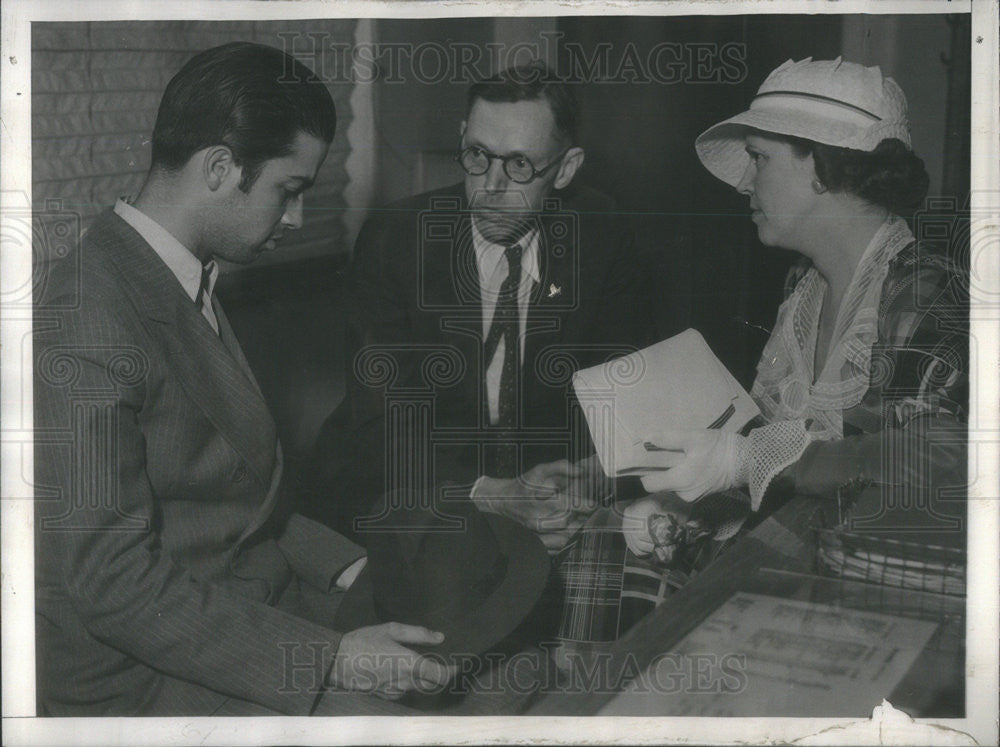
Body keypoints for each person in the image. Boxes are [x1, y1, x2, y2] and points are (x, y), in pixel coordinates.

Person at [33, 41, 456, 717]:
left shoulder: (175, 273)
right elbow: (111, 586)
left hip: (232, 605)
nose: (294, 219)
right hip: (135, 679)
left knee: (466, 641)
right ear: (221, 168)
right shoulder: (86, 314)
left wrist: (353, 569)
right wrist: (332, 656)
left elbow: (237, 504)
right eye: (288, 191)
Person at [308, 62, 654, 551]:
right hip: (409, 494)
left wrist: (589, 476)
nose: (490, 187)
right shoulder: (397, 240)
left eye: (518, 165)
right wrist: (494, 495)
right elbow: (380, 426)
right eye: (477, 155)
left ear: (567, 169)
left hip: (543, 502)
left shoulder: (602, 236)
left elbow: (619, 396)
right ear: (463, 137)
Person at [633, 58, 966, 537]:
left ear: (823, 169)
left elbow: (946, 463)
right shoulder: (803, 287)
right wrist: (685, 510)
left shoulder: (924, 293)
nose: (745, 182)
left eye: (759, 158)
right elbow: (767, 469)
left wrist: (748, 459)